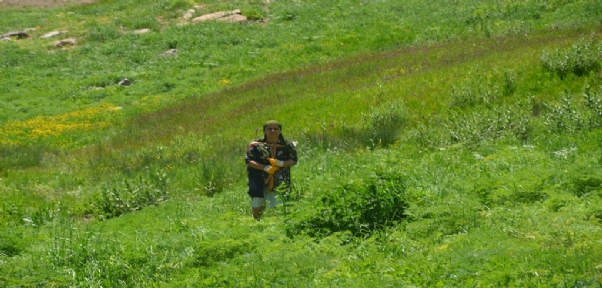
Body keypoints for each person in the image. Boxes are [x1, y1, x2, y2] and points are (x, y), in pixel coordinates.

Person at [245, 120, 298, 220]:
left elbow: (294, 160)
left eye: (276, 129)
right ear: (264, 131)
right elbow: (249, 160)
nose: (272, 131)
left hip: (280, 179)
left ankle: (276, 225)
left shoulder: (287, 145)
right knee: (257, 204)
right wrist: (265, 168)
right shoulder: (256, 145)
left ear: (280, 131)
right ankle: (256, 222)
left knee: (277, 205)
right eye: (269, 129)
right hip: (259, 179)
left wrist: (281, 163)